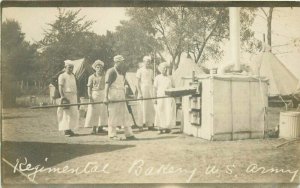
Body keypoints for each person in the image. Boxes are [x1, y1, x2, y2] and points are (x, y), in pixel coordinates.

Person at [104, 55, 137, 140]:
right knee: (113, 115)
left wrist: (125, 94)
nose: (123, 64)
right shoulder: (111, 71)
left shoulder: (122, 71)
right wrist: (105, 97)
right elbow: (107, 85)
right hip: (113, 96)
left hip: (121, 96)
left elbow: (123, 84)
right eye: (121, 62)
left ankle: (129, 134)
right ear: (116, 62)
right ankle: (112, 135)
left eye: (123, 62)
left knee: (125, 115)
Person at [84, 60, 108, 134]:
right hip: (95, 94)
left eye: (101, 67)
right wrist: (90, 96)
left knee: (103, 111)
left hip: (103, 93)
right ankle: (94, 129)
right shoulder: (91, 77)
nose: (99, 69)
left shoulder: (105, 76)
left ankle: (100, 128)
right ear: (95, 68)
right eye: (97, 67)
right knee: (94, 112)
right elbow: (89, 87)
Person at [57, 60, 79, 137]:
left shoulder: (73, 75)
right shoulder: (62, 76)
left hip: (73, 96)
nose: (70, 69)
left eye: (72, 68)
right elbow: (60, 87)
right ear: (65, 67)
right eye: (69, 67)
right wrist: (63, 97)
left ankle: (70, 129)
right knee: (66, 113)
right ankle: (66, 130)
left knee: (73, 113)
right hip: (66, 96)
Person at [154, 62, 176, 134]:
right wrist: (155, 99)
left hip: (168, 96)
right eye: (164, 68)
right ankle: (160, 128)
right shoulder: (157, 77)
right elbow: (155, 89)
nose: (165, 69)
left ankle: (168, 128)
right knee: (160, 110)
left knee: (168, 111)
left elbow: (173, 87)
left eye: (166, 68)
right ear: (160, 69)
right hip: (160, 96)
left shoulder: (170, 77)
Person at [136, 56, 155, 130]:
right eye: (146, 61)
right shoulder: (139, 70)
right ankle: (140, 125)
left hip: (149, 90)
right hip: (142, 90)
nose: (148, 63)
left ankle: (150, 124)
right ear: (143, 62)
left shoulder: (151, 71)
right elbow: (137, 83)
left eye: (149, 61)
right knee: (141, 107)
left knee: (150, 107)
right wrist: (140, 93)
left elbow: (152, 81)